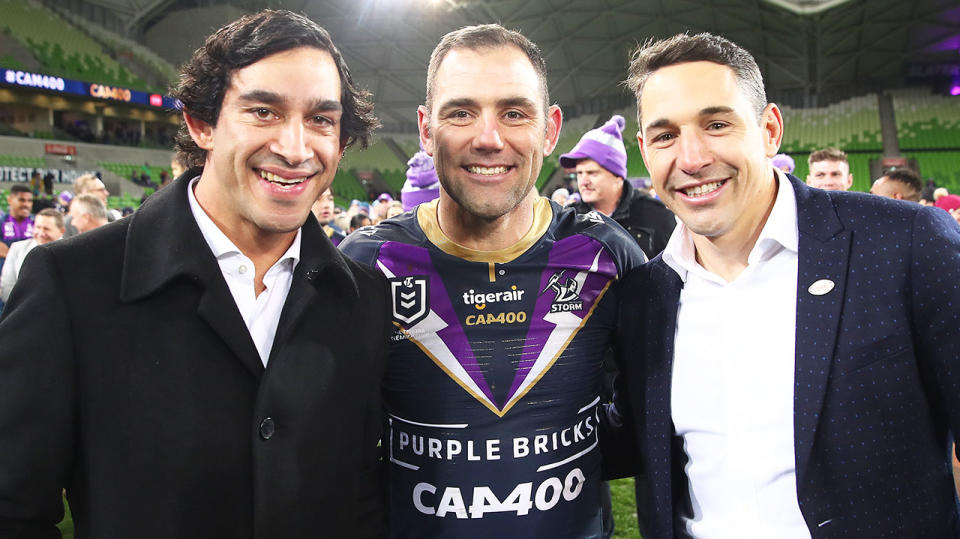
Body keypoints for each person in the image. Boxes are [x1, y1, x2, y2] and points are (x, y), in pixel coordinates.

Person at [0, 9, 390, 538]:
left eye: (321, 119)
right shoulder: (70, 284)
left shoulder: (363, 298)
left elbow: (361, 499)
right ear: (200, 123)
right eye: (264, 111)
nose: (295, 149)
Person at [612, 32, 960, 538]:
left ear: (769, 129)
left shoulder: (905, 244)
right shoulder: (645, 297)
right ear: (644, 150)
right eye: (665, 136)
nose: (690, 158)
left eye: (716, 124)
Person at [340, 24, 644, 538]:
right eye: (460, 112)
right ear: (425, 128)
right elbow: (330, 439)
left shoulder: (606, 253)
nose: (488, 138)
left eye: (514, 112)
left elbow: (653, 412)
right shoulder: (369, 264)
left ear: (550, 130)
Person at [560, 114, 676, 259]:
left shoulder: (657, 215)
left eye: (592, 173)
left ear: (617, 177)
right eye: (579, 173)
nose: (583, 181)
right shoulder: (569, 219)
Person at [0, 208, 63, 302]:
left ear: (61, 230)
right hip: (22, 309)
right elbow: (7, 286)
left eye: (47, 229)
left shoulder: (70, 250)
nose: (41, 233)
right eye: (38, 227)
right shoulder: (17, 248)